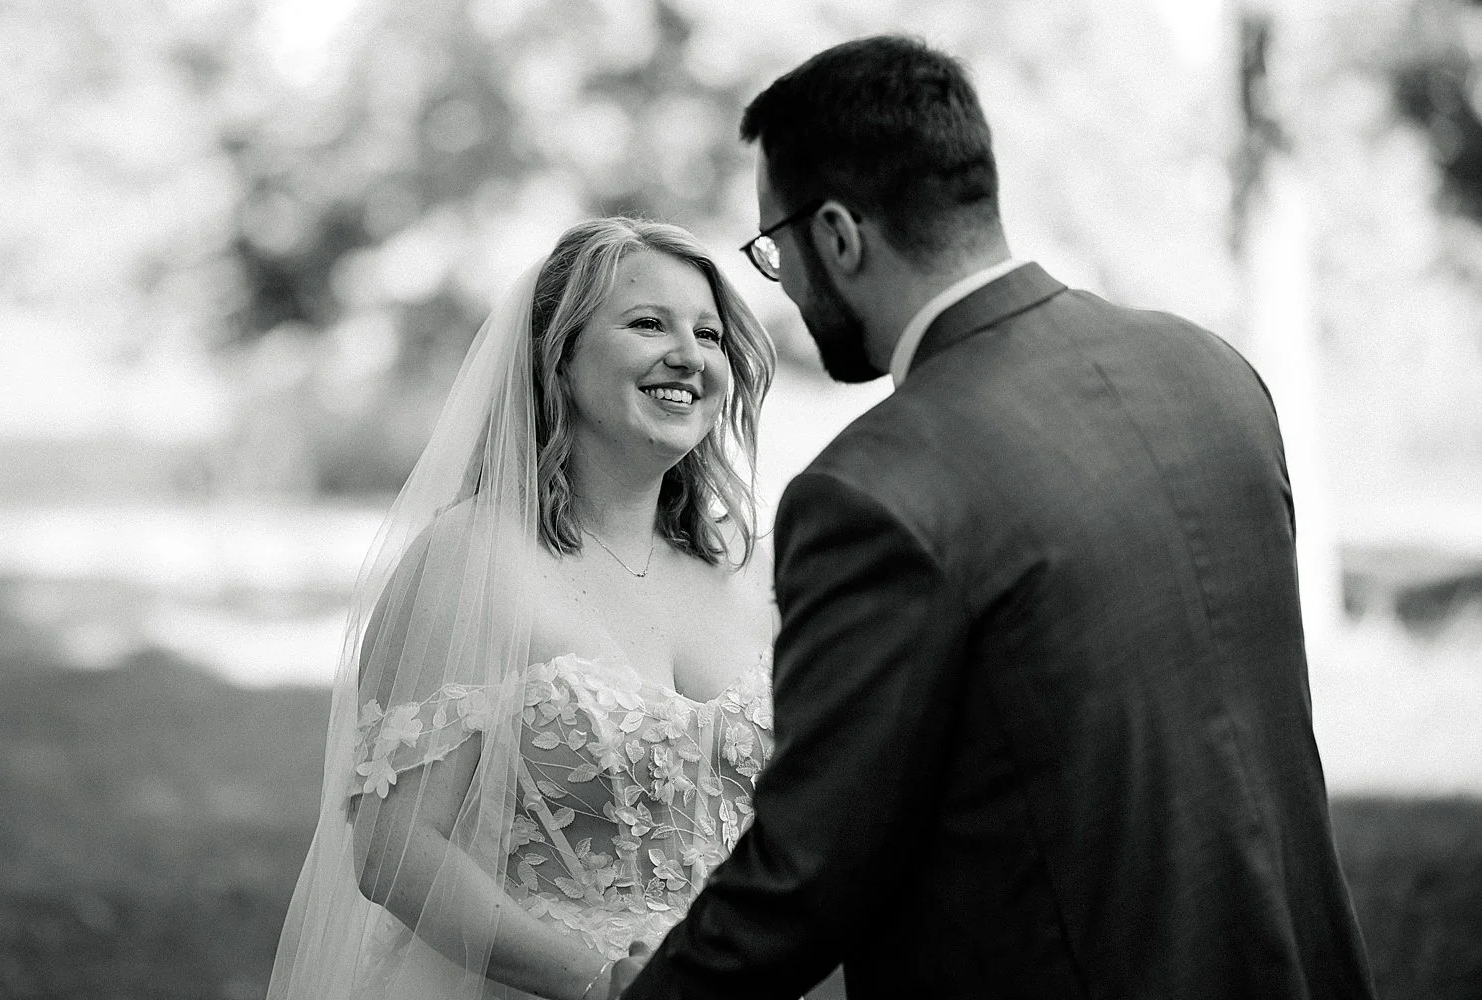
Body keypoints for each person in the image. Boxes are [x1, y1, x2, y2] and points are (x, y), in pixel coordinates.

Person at [617, 35, 1378, 1000]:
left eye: (776, 249)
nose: (787, 290)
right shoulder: (1211, 371)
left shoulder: (874, 489)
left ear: (841, 236)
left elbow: (806, 875)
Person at [265, 217, 780, 1000]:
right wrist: (609, 985)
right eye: (649, 323)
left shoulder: (746, 574)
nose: (690, 355)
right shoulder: (470, 560)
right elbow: (393, 847)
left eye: (708, 334)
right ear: (558, 354)